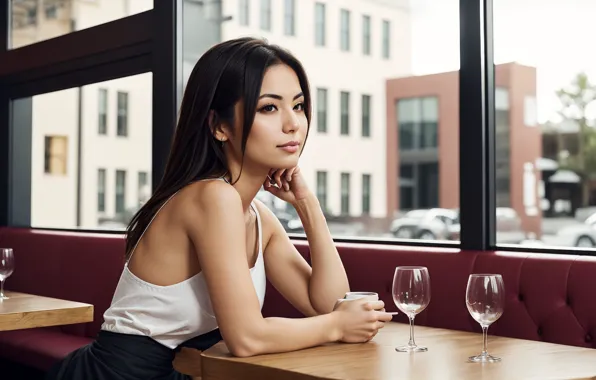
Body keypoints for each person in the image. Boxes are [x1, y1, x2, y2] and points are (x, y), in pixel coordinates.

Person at [46, 37, 393, 380]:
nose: (293, 124)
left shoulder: (258, 217)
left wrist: (308, 205)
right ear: (219, 126)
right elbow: (246, 338)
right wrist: (335, 326)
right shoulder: (212, 197)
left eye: (299, 105)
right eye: (269, 107)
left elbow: (331, 303)